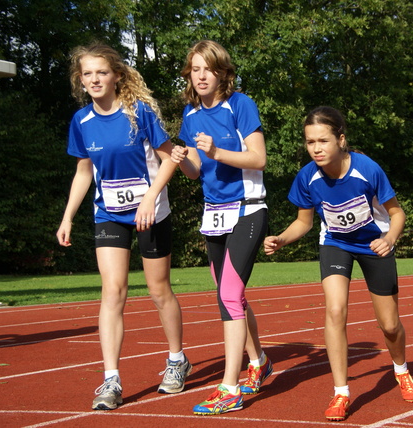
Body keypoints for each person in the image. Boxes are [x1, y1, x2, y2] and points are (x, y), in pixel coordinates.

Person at [264, 106, 413, 421]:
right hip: (335, 244)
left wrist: (389, 239)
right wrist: (282, 238)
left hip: (374, 245)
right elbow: (304, 223)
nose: (316, 148)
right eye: (310, 142)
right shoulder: (307, 177)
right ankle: (341, 392)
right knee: (335, 310)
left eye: (323, 140)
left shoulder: (367, 169)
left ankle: (401, 370)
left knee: (390, 325)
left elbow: (397, 213)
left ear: (341, 139)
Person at [56, 43, 191, 411]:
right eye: (87, 74)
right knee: (112, 291)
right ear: (80, 81)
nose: (95, 79)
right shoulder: (81, 121)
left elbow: (169, 157)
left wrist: (150, 198)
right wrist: (68, 216)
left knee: (158, 288)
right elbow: (84, 171)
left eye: (101, 72)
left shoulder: (139, 112)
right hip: (109, 214)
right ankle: (110, 379)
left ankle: (177, 360)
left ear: (117, 75)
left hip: (151, 211)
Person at [170, 40, 273, 415]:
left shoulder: (241, 105)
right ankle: (259, 360)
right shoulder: (191, 114)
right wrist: (182, 160)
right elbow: (196, 170)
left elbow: (258, 158)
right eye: (194, 69)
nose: (200, 76)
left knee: (229, 295)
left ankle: (230, 388)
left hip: (248, 209)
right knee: (230, 295)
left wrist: (216, 152)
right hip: (214, 213)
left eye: (207, 69)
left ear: (223, 73)